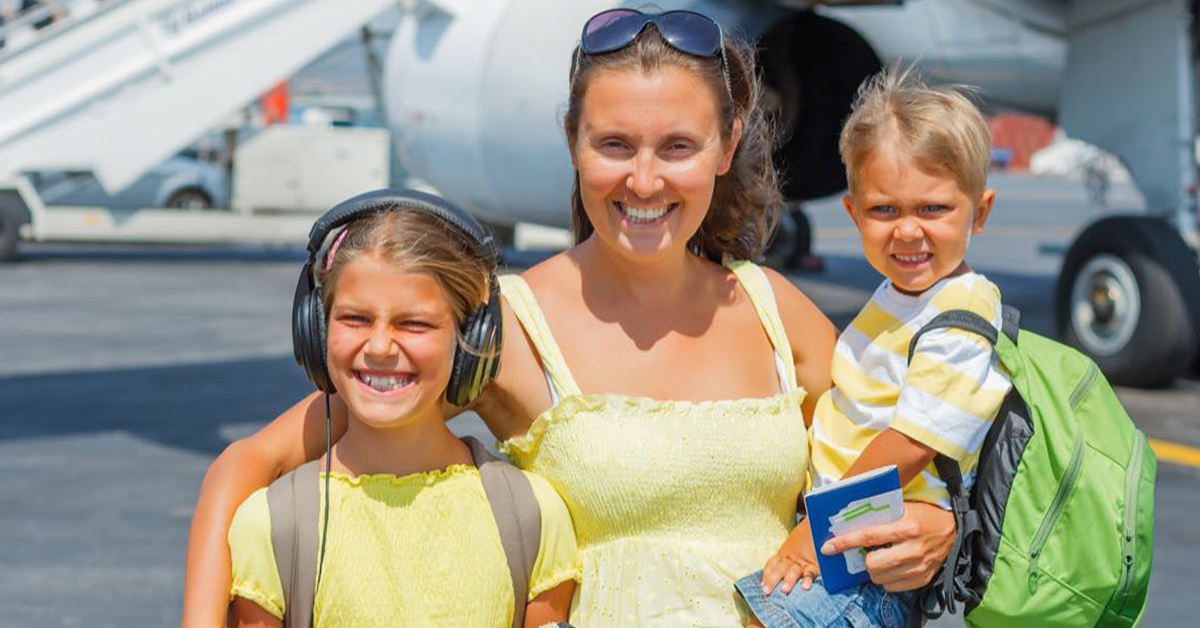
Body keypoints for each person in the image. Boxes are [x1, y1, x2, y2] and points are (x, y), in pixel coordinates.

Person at [182, 10, 957, 628]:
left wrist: (929, 521)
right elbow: (248, 465)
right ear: (572, 143)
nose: (644, 180)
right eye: (614, 144)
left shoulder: (773, 310)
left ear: (724, 149)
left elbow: (881, 461)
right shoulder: (506, 326)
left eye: (677, 147)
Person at [225, 193, 579, 628]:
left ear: (472, 340)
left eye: (415, 324)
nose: (379, 347)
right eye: (354, 319)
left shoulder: (530, 516)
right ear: (315, 332)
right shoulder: (275, 526)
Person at [738, 68, 1011, 628]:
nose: (907, 231)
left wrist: (817, 531)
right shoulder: (900, 296)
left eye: (933, 209)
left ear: (979, 213)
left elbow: (912, 442)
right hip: (850, 535)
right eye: (885, 210)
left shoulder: (961, 312)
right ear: (854, 213)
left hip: (870, 556)